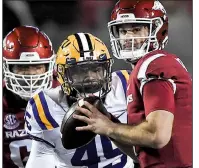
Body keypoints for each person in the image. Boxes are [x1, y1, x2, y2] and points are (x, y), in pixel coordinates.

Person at [73, 0, 192, 168]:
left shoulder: (155, 64)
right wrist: (108, 122)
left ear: (158, 29)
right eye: (123, 31)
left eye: (136, 29)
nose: (128, 37)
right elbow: (139, 154)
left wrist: (109, 127)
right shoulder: (144, 69)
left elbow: (157, 135)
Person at [24, 32, 135, 168]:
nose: (89, 77)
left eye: (95, 69)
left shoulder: (125, 85)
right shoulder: (46, 105)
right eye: (79, 71)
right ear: (61, 74)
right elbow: (41, 156)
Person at [3, 25, 58, 168]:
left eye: (37, 66)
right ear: (7, 68)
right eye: (23, 67)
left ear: (49, 66)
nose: (31, 75)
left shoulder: (65, 93)